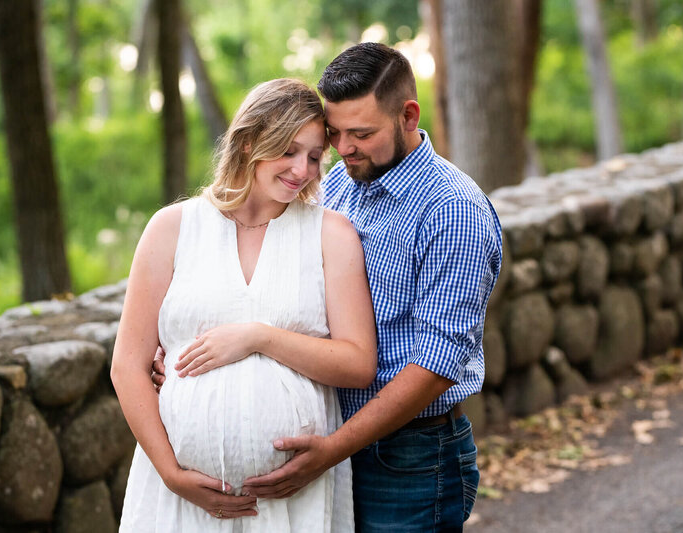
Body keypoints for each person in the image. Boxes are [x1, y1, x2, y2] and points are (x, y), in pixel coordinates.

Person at [156, 43, 503, 531]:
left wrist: (330, 451)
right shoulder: (336, 188)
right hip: (327, 449)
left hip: (407, 458)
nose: (344, 148)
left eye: (362, 133)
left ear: (408, 116)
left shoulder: (453, 210)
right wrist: (176, 354)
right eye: (335, 134)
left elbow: (437, 365)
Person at [111, 78, 377, 532]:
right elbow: (127, 366)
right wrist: (173, 476)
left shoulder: (331, 234)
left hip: (294, 503)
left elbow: (357, 364)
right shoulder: (172, 228)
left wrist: (259, 338)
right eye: (289, 151)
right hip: (180, 503)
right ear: (250, 141)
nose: (303, 170)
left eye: (315, 156)